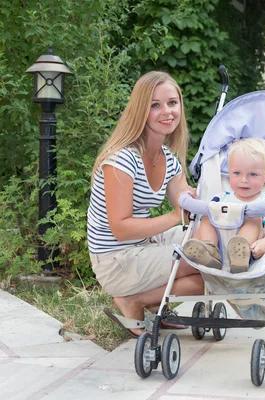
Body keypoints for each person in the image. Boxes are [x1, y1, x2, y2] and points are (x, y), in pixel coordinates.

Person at [87, 71, 204, 337]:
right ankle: (134, 300)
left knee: (212, 245)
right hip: (116, 259)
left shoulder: (168, 158)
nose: (167, 111)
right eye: (155, 105)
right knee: (203, 261)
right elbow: (121, 229)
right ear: (141, 110)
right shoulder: (122, 159)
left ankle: (152, 301)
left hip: (143, 247)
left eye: (172, 103)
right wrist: (176, 216)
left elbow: (186, 206)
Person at [182, 138, 265, 273]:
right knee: (208, 213)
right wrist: (197, 237)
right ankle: (209, 250)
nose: (244, 180)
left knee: (253, 218)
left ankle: (239, 257)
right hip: (218, 246)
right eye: (237, 173)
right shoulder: (221, 198)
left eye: (253, 174)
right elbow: (204, 224)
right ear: (229, 173)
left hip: (248, 251)